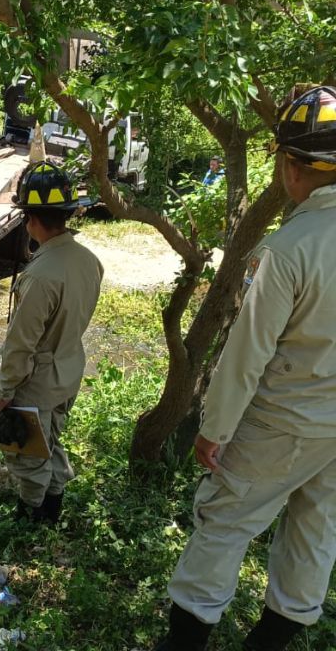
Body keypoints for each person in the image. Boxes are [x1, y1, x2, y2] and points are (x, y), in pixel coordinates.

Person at [154, 85, 336, 651]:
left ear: (290, 166)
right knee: (316, 528)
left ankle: (183, 641)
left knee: (225, 522)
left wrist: (216, 428)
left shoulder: (289, 249)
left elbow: (246, 351)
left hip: (282, 420)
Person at [0, 161, 103, 524]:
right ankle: (52, 507)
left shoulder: (40, 276)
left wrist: (5, 393)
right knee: (49, 439)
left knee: (27, 451)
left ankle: (32, 520)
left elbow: (21, 344)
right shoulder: (88, 261)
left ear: (32, 220)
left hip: (37, 381)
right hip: (68, 369)